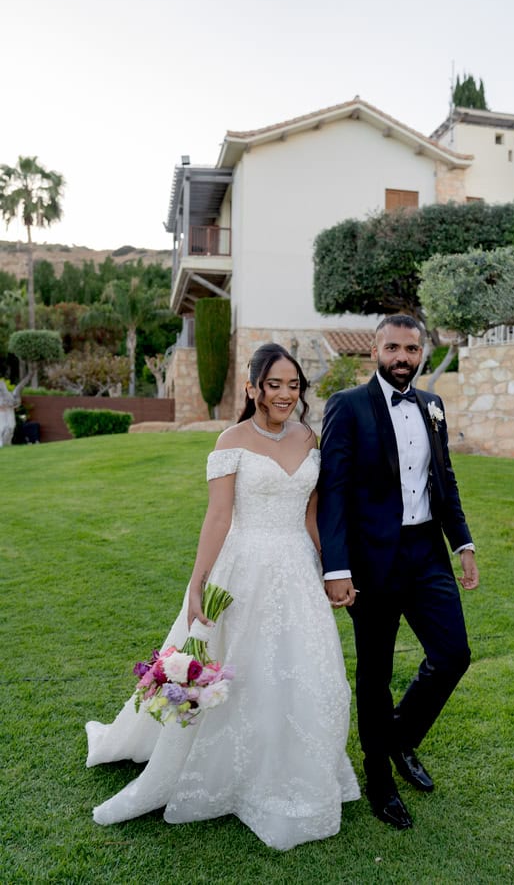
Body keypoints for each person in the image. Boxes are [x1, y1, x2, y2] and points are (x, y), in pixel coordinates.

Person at [86, 343, 359, 851]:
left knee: (304, 670)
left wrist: (331, 570)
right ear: (253, 387)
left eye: (293, 385)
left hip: (296, 567)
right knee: (240, 667)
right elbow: (218, 517)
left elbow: (310, 515)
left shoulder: (309, 437)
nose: (284, 394)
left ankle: (292, 766)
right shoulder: (230, 440)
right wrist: (198, 583)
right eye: (274, 384)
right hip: (243, 567)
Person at [317, 315, 479, 831]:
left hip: (427, 554)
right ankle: (380, 779)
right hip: (372, 562)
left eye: (411, 348)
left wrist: (464, 543)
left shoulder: (432, 406)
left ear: (422, 352)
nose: (402, 356)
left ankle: (400, 739)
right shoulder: (347, 407)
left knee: (453, 653)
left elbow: (444, 479)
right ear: (375, 350)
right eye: (393, 347)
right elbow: (333, 493)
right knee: (376, 673)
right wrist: (336, 567)